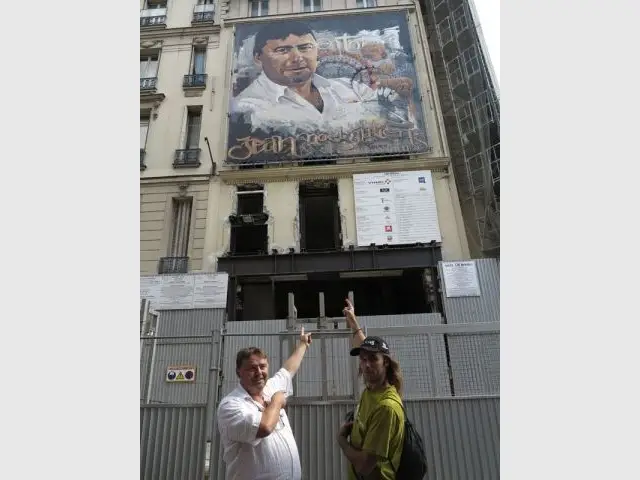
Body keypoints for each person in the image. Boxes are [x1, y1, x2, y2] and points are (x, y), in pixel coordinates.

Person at [232, 21, 395, 134]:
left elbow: (392, 118)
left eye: (305, 48)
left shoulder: (349, 87)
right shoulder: (247, 107)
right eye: (283, 50)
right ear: (258, 58)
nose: (297, 58)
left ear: (317, 51)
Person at [217, 328, 313, 480]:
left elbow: (288, 369)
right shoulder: (230, 405)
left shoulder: (271, 388)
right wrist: (277, 401)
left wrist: (303, 344)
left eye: (262, 366)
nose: (259, 372)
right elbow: (264, 427)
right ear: (238, 372)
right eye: (251, 368)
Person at [337, 299, 405, 480]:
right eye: (363, 358)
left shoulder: (386, 407)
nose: (366, 365)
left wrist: (342, 441)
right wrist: (353, 321)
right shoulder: (372, 390)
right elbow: (365, 345)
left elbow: (365, 466)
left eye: (373, 359)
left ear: (386, 363)